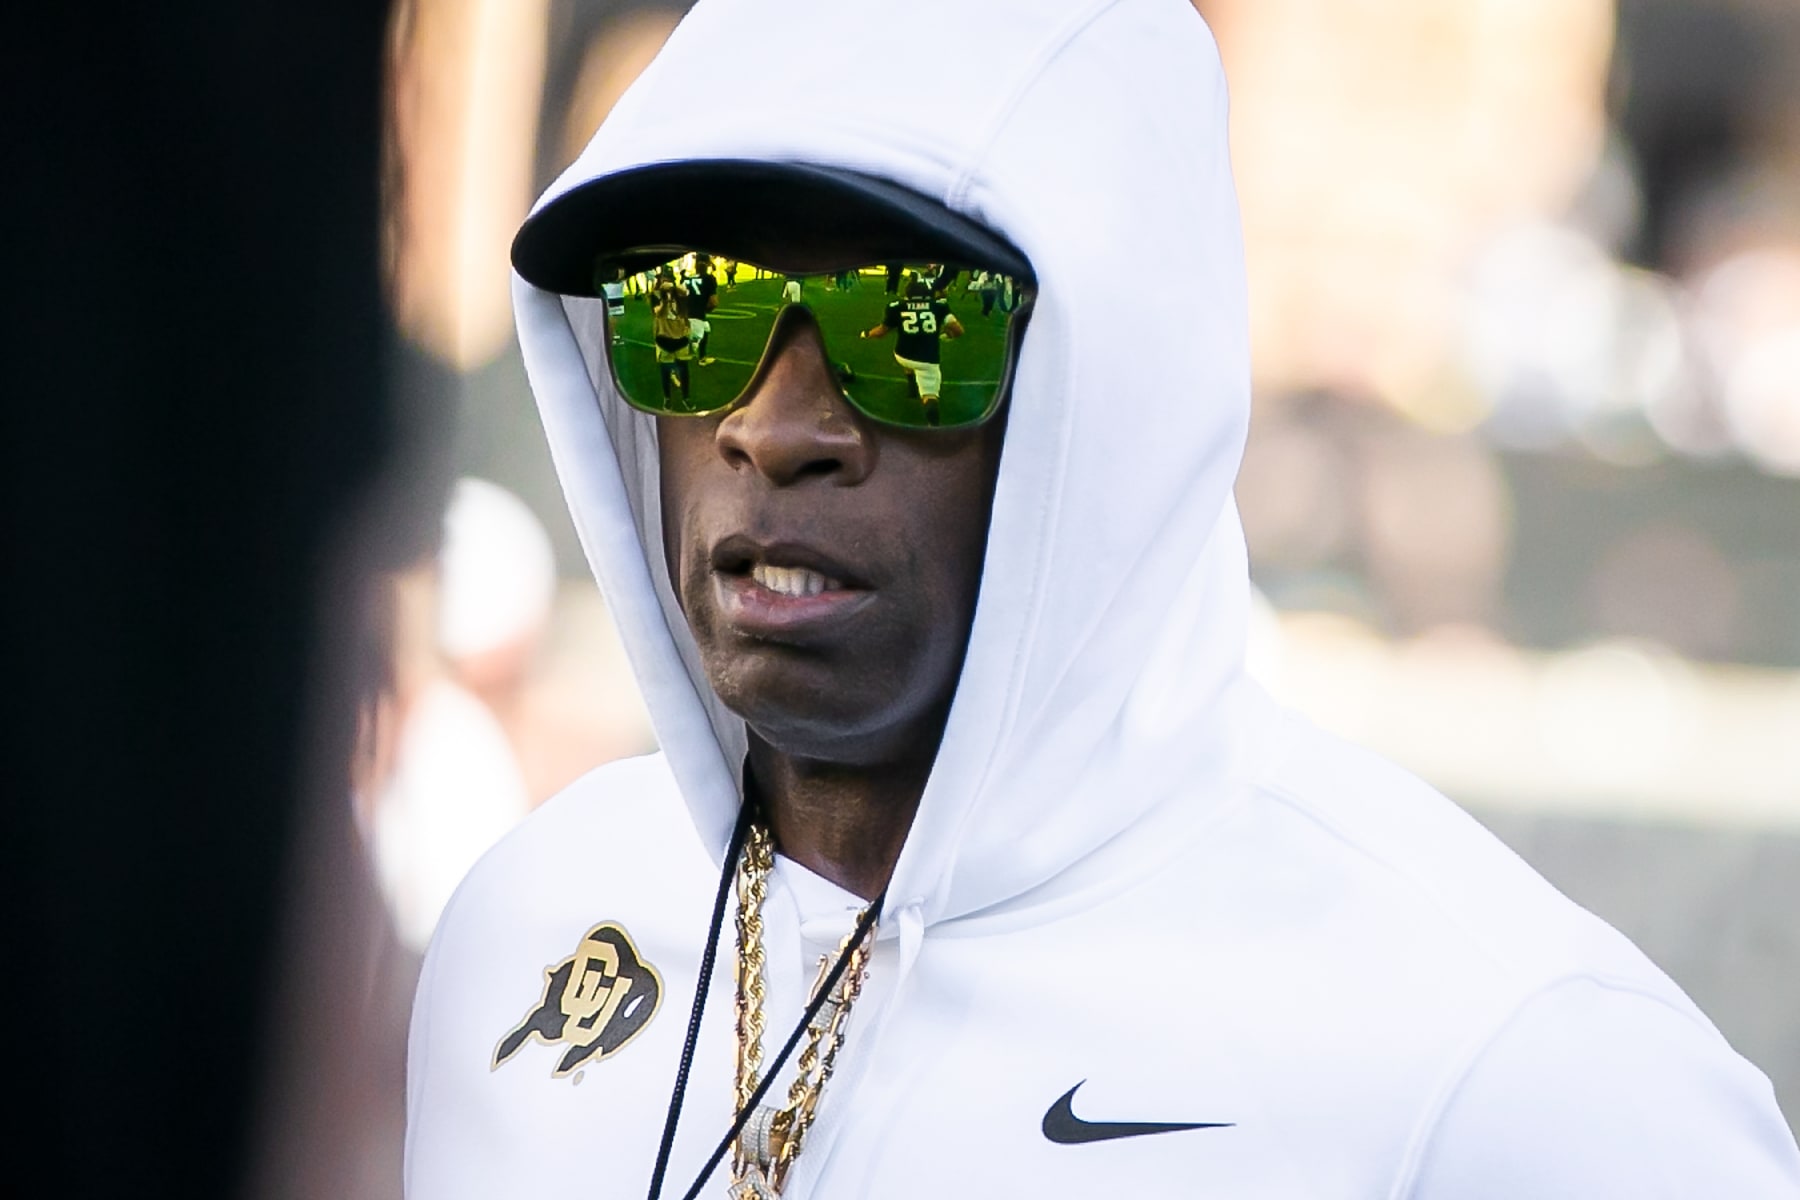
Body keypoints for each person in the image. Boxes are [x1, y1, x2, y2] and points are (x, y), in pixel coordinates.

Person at [406, 2, 1800, 1198]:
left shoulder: (1513, 1069)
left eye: (914, 330)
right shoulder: (527, 919)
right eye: (690, 312)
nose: (774, 426)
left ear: (1116, 387)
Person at [861, 277, 965, 426]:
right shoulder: (939, 306)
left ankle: (911, 383)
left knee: (907, 360)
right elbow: (958, 330)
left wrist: (867, 333)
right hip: (927, 360)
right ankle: (932, 424)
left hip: (902, 355)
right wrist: (947, 335)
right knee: (929, 395)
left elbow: (882, 331)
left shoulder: (896, 306)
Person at [650, 271, 692, 403]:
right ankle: (667, 398)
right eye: (664, 281)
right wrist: (665, 298)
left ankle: (686, 397)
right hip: (664, 338)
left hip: (681, 338)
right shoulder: (655, 295)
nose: (666, 283)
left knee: (684, 370)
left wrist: (674, 288)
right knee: (665, 371)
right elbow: (658, 312)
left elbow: (686, 294)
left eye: (668, 280)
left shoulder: (680, 293)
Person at [683, 253, 719, 365]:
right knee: (694, 340)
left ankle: (699, 354)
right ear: (707, 264)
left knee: (706, 328)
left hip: (685, 315)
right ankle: (699, 355)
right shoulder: (710, 279)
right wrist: (707, 309)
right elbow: (714, 302)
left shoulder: (687, 278)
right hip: (697, 316)